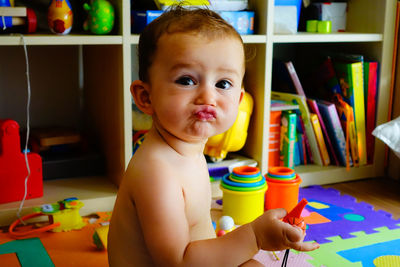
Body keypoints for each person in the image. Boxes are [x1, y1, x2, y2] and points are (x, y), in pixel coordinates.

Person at [108, 6, 319, 267]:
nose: (208, 97)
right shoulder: (156, 172)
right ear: (145, 97)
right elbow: (179, 262)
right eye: (186, 80)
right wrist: (255, 236)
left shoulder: (188, 151)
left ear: (239, 99)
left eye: (223, 84)